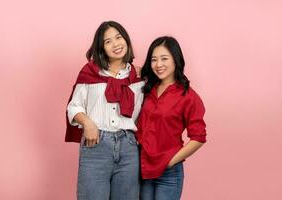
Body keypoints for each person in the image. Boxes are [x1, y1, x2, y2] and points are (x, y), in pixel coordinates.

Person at [65, 21, 144, 200]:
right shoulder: (90, 72)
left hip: (129, 148)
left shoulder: (140, 78)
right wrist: (87, 122)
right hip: (96, 145)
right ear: (101, 48)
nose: (116, 44)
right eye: (108, 41)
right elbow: (74, 106)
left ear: (126, 40)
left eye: (118, 37)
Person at [136, 36, 207, 200]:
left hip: (169, 173)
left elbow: (199, 137)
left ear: (176, 59)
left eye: (164, 58)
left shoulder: (188, 96)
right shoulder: (147, 88)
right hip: (143, 169)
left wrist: (170, 161)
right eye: (154, 59)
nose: (158, 64)